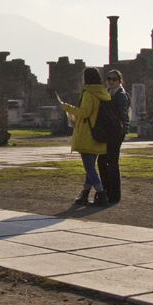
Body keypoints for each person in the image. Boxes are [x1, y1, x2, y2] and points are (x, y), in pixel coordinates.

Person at [60, 67, 112, 207]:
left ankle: (101, 194)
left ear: (86, 78)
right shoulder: (102, 93)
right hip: (98, 134)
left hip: (88, 134)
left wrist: (67, 108)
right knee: (91, 167)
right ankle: (84, 194)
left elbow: (85, 112)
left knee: (89, 167)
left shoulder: (89, 94)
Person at [97, 70, 131, 205]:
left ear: (119, 81)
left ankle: (114, 194)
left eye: (114, 79)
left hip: (117, 132)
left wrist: (122, 131)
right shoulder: (107, 94)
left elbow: (122, 116)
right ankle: (107, 190)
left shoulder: (120, 96)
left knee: (112, 163)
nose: (111, 81)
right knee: (103, 162)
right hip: (109, 132)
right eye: (109, 78)